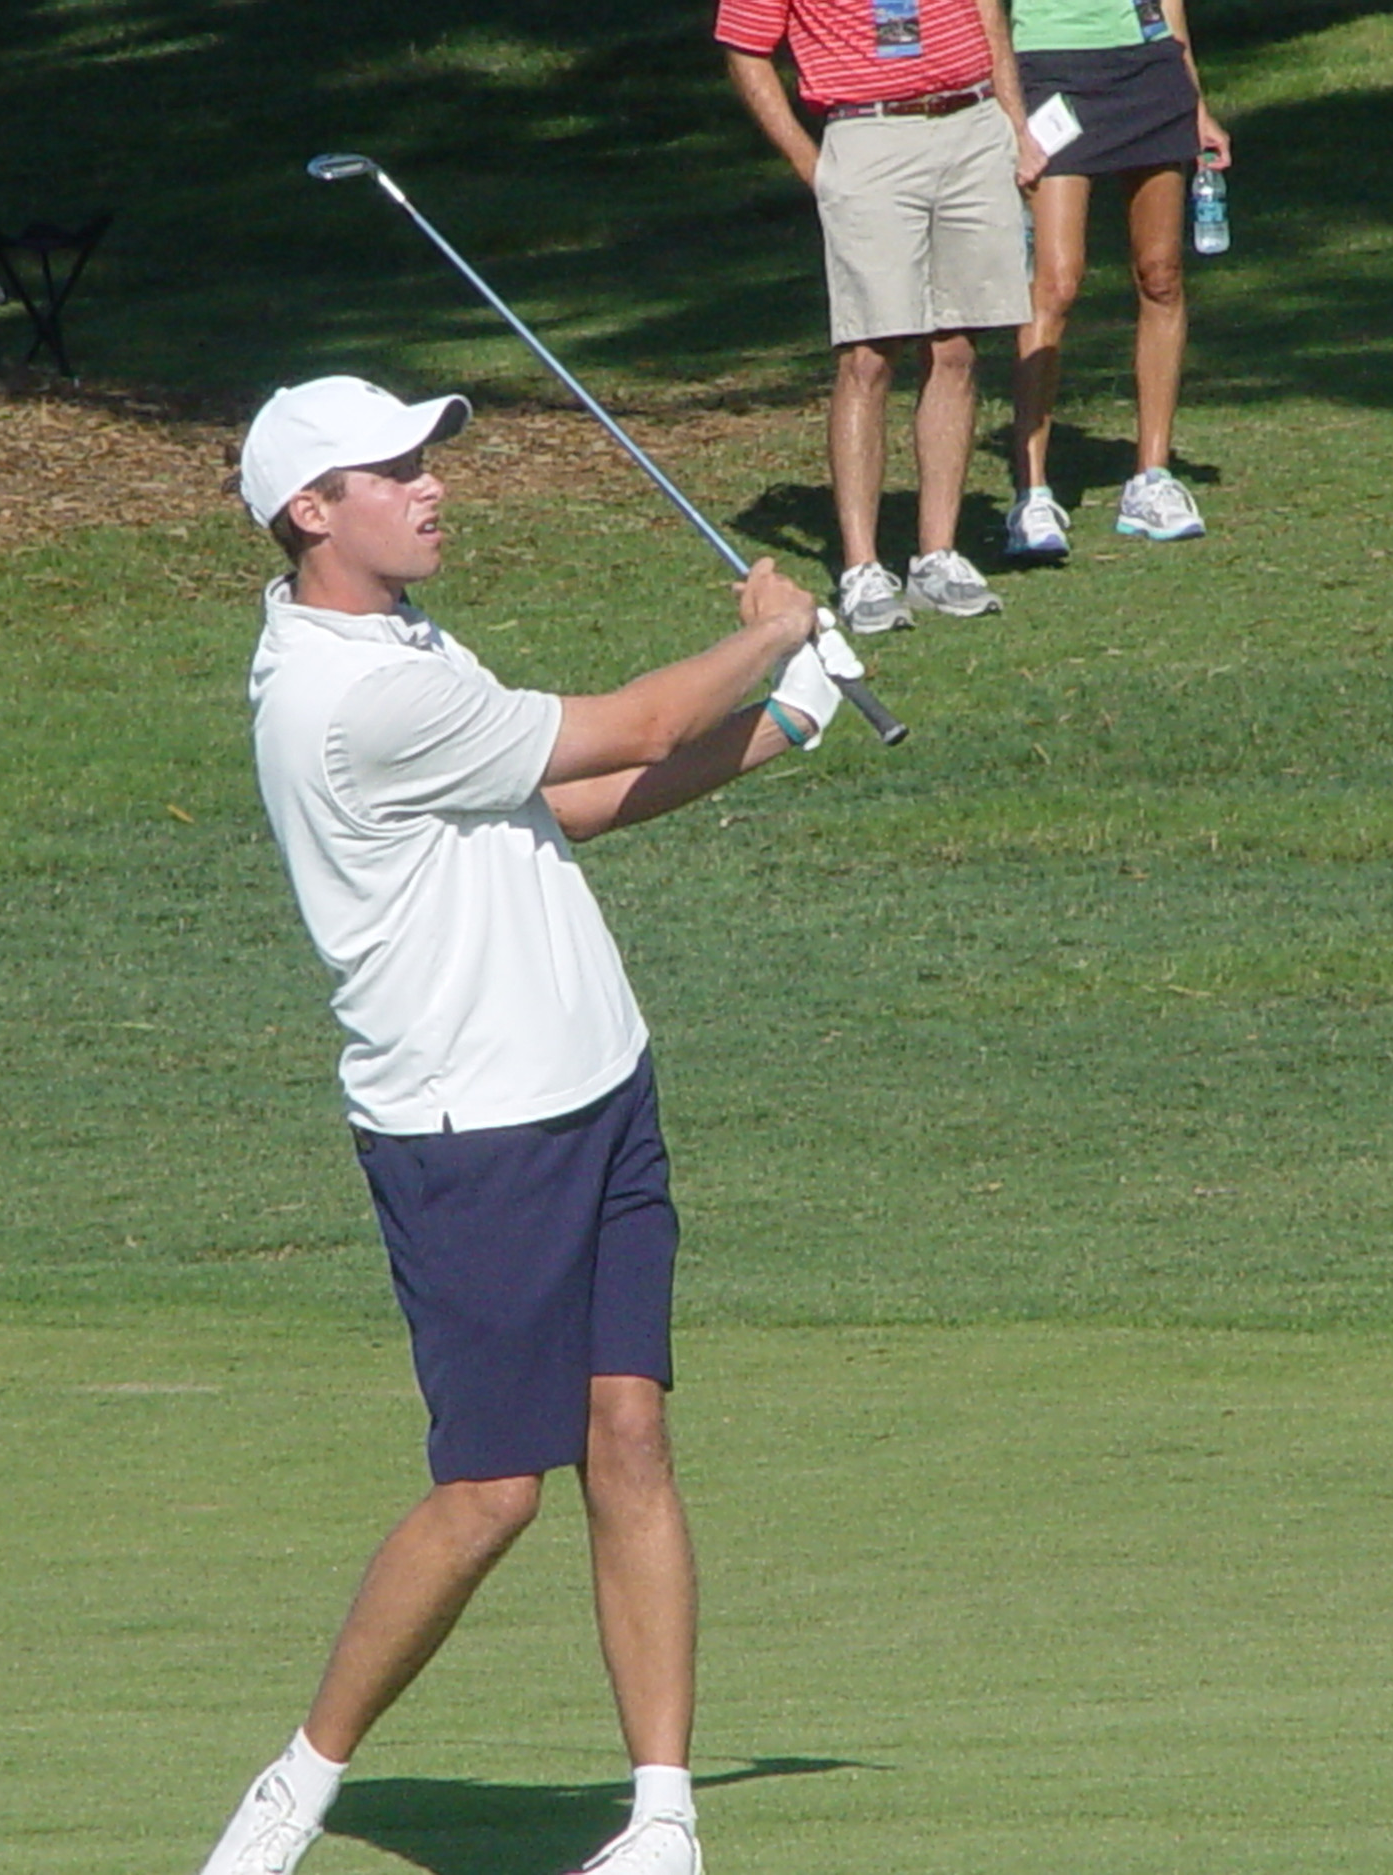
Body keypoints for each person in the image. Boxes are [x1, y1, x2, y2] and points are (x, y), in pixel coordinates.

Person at [196, 375, 845, 1875]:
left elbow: (575, 802)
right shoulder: (353, 692)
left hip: (598, 1081)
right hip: (472, 1128)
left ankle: (663, 1818)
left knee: (629, 1431)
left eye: (429, 462)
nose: (434, 488)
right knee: (492, 1486)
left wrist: (782, 719)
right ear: (311, 511)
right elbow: (637, 716)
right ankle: (296, 1784)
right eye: (396, 471)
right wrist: (769, 627)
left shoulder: (402, 637)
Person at [719, 0, 1046, 636]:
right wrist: (805, 161)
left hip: (971, 125)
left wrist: (1014, 125)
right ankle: (863, 565)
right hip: (867, 132)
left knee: (956, 347)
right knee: (868, 356)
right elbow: (744, 46)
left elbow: (987, 13)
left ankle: (937, 555)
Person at [1003, 0, 1231, 558]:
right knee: (1056, 284)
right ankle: (1031, 493)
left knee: (1161, 276)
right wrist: (1010, 117)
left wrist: (1194, 100)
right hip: (1051, 66)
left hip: (1148, 66)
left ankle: (1152, 476)